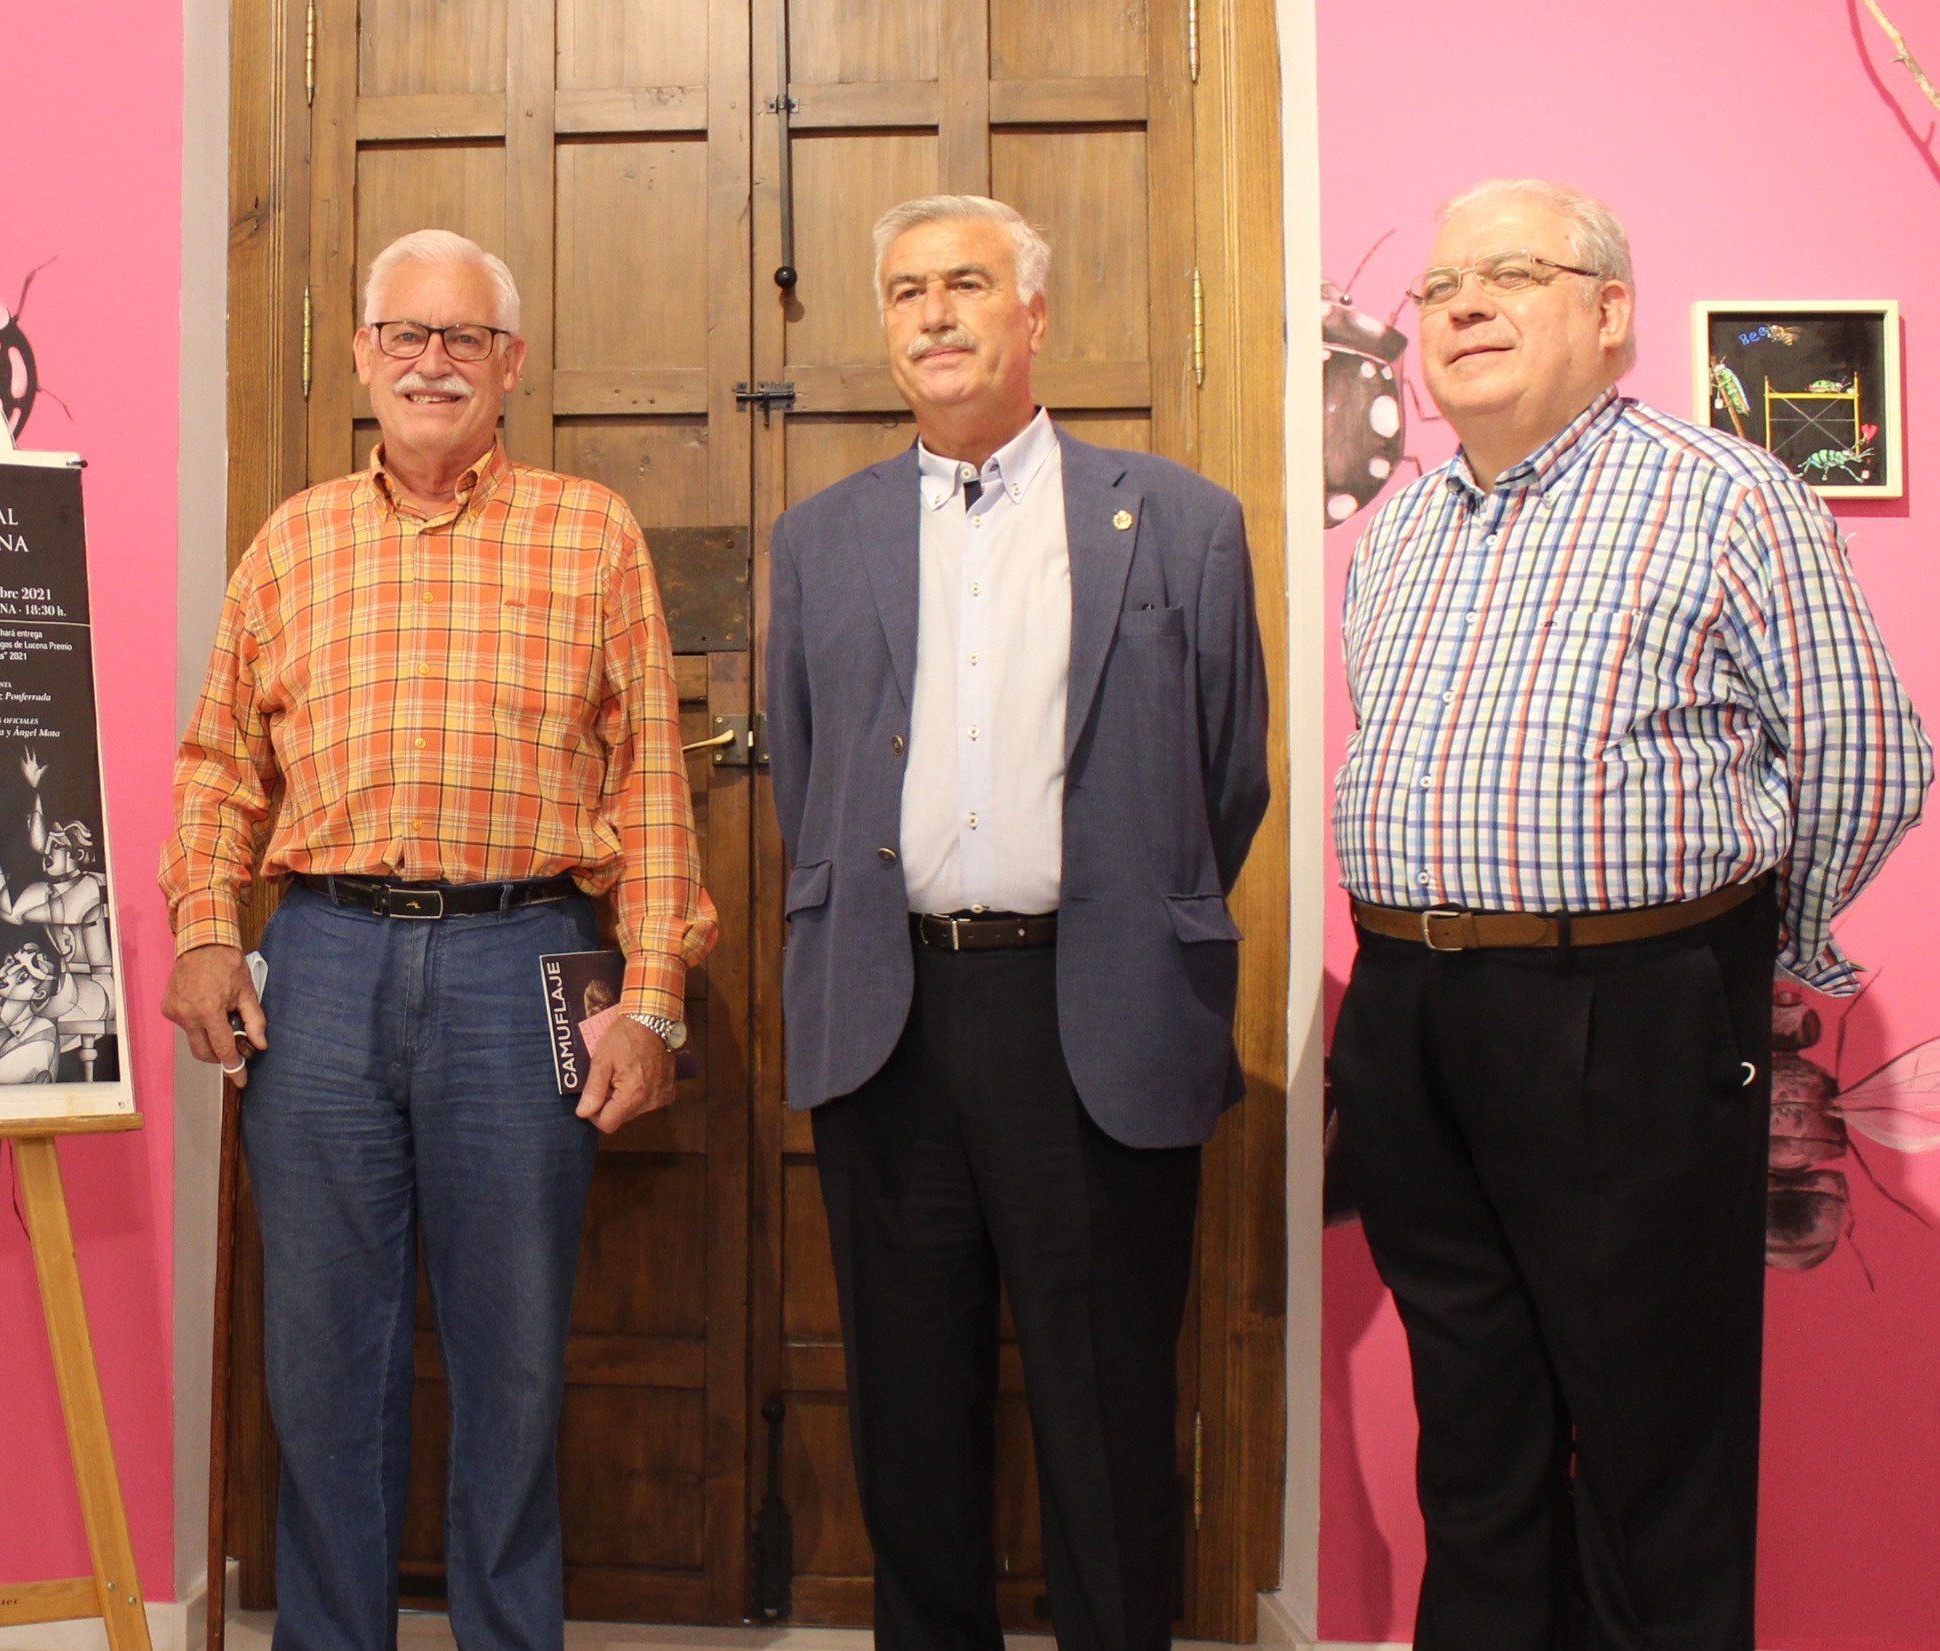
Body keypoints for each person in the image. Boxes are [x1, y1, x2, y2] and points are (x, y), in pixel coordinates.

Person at [1332, 179, 1928, 1649]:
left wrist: (1756, 954)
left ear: (1609, 316)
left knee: (1657, 1436)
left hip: (1629, 1012)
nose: (1460, 304)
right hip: (1415, 1012)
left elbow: (1869, 752)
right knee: (1473, 1420)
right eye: (1440, 285)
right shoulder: (1401, 532)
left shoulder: (1727, 493)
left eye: (1511, 273)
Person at [160, 227, 716, 1651]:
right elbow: (221, 768)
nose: (430, 361)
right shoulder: (292, 540)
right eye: (403, 335)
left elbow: (652, 779)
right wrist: (206, 933)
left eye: (462, 339)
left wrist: (652, 998)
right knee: (322, 1370)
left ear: (510, 365)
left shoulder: (591, 532)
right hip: (324, 966)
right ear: (360, 357)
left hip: (521, 962)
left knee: (514, 1363)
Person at [765, 195, 1268, 1651]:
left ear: (1033, 314)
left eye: (968, 284)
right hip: (891, 1017)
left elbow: (1224, 776)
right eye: (908, 289)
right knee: (910, 1422)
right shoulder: (821, 538)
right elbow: (811, 775)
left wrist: (1116, 904)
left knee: (1109, 1420)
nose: (934, 314)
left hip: (1097, 1012)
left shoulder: (1178, 520)